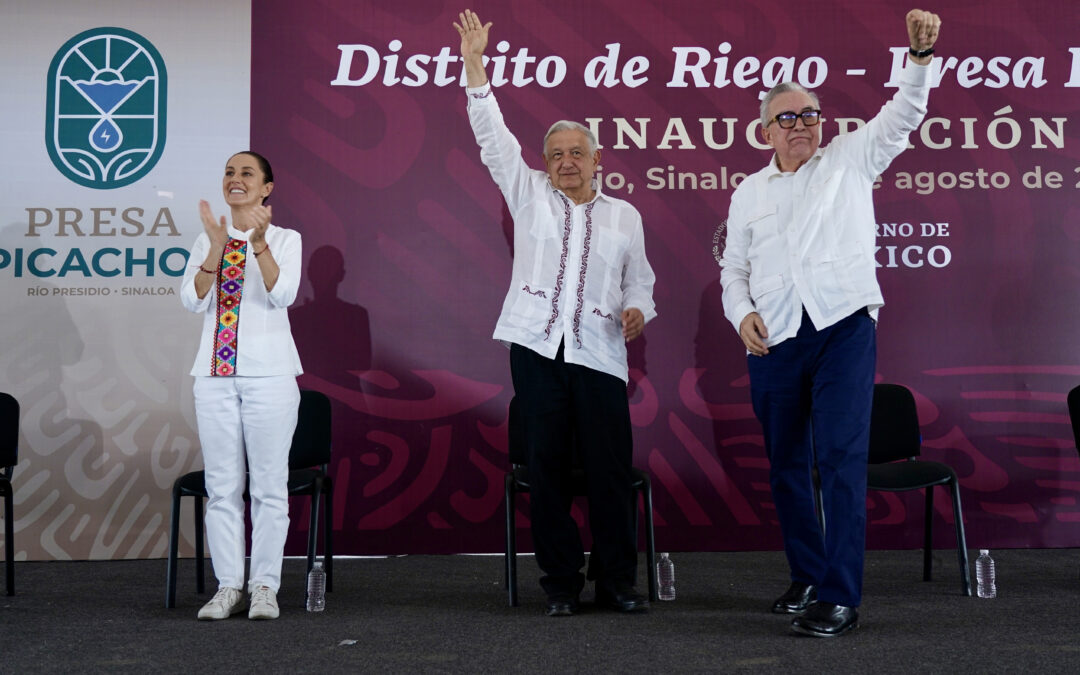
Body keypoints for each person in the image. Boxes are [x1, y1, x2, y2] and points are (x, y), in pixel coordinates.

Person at [719, 10, 942, 637]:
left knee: (842, 459)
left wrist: (919, 60)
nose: (802, 126)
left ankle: (840, 594)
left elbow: (903, 115)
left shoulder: (849, 158)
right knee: (786, 462)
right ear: (764, 132)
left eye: (811, 115)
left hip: (843, 329)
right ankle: (808, 572)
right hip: (775, 342)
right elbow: (731, 270)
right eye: (787, 118)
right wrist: (742, 316)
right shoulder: (747, 194)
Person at [454, 9, 657, 616]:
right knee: (544, 472)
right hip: (537, 351)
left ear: (598, 159)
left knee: (608, 473)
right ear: (545, 161)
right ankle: (561, 585)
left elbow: (641, 283)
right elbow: (493, 137)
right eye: (557, 153)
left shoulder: (626, 216)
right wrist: (475, 68)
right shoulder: (527, 192)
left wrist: (637, 310)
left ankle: (618, 582)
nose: (567, 161)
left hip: (600, 354)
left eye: (578, 152)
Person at [180, 151, 303, 621]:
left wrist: (256, 242)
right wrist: (215, 247)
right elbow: (192, 300)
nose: (235, 179)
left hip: (269, 376)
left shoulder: (285, 239)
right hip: (213, 378)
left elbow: (283, 294)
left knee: (270, 488)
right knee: (223, 487)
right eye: (229, 172)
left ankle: (265, 587)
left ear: (266, 188)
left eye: (246, 173)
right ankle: (229, 585)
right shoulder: (207, 238)